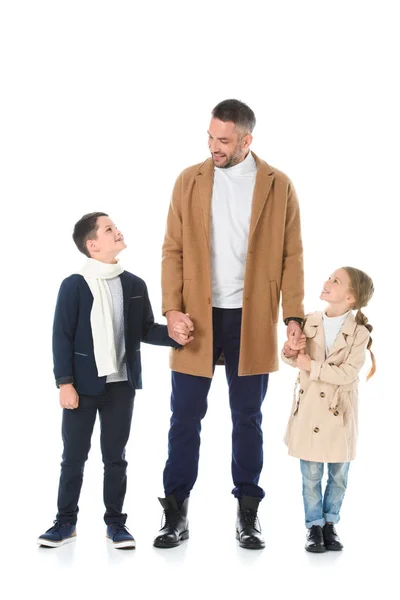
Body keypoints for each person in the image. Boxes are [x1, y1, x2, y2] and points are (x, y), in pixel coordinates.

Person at [154, 99, 304, 549]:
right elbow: (172, 250)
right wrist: (172, 310)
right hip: (195, 317)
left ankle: (248, 513)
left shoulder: (279, 185)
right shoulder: (189, 180)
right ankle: (175, 512)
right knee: (184, 417)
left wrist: (293, 317)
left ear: (246, 140)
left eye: (223, 140)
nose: (213, 147)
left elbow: (291, 256)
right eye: (210, 137)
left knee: (248, 418)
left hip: (252, 317)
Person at [37, 212, 191, 549]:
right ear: (92, 245)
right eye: (109, 229)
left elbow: (144, 329)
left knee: (115, 458)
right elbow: (61, 336)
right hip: (82, 386)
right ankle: (65, 523)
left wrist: (176, 336)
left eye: (115, 226)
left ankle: (116, 524)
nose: (117, 230)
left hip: (121, 386)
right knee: (73, 457)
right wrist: (64, 383)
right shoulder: (74, 285)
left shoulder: (134, 284)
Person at [282, 267, 375, 552]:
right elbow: (292, 360)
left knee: (338, 475)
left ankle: (330, 523)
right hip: (310, 411)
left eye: (336, 281)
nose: (327, 281)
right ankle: (314, 525)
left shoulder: (359, 333)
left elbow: (348, 373)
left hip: (339, 414)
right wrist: (289, 349)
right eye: (329, 277)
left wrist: (312, 366)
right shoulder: (309, 321)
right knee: (310, 475)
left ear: (350, 298)